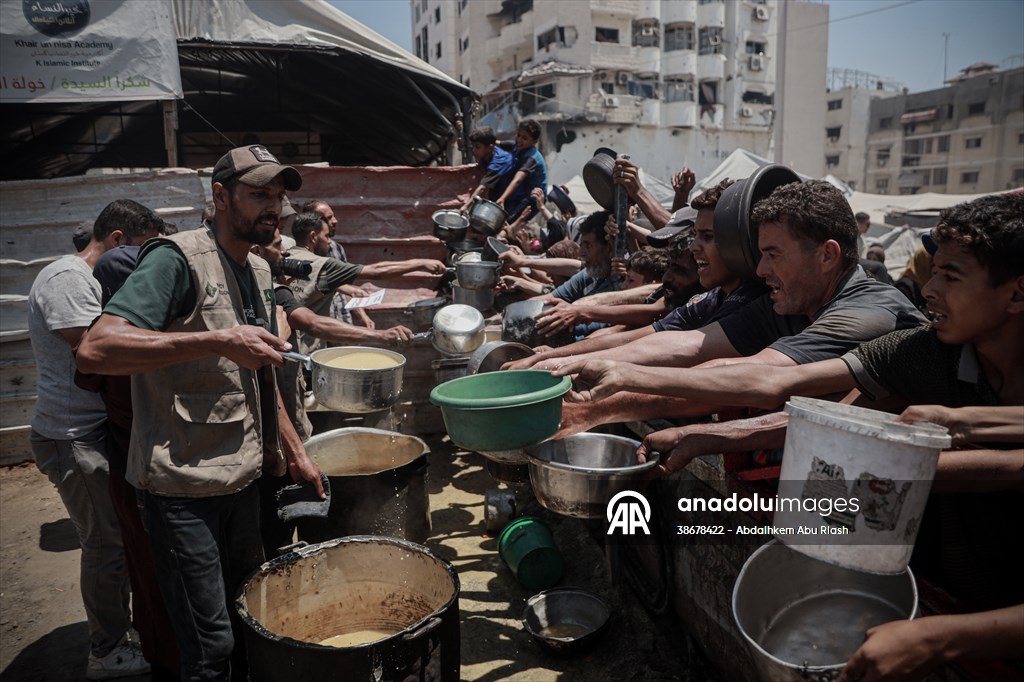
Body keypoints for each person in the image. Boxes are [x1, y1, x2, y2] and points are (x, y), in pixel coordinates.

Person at [76, 145, 325, 680]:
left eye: (278, 197)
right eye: (259, 194)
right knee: (208, 649)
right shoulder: (175, 257)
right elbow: (97, 348)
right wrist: (214, 339)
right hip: (182, 492)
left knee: (249, 619)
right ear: (219, 195)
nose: (273, 209)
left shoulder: (257, 268)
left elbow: (259, 370)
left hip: (243, 482)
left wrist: (297, 451)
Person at [543, 180, 926, 434]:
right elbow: (688, 346)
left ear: (827, 256)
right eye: (758, 255)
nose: (761, 270)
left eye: (773, 255)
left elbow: (759, 378)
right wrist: (563, 363)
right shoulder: (788, 301)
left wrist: (611, 391)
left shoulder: (867, 310)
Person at [28, 199, 161, 680]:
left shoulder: (84, 278)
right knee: (106, 545)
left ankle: (120, 631)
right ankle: (105, 651)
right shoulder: (68, 279)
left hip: (91, 431)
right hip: (71, 437)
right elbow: (96, 353)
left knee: (119, 539)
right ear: (120, 240)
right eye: (144, 249)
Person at [253, 227, 414, 554]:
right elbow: (313, 325)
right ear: (255, 251)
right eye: (276, 248)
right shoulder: (245, 292)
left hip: (286, 413)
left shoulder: (278, 292)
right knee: (265, 522)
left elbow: (307, 320)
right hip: (255, 432)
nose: (286, 254)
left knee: (289, 510)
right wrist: (379, 338)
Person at [509, 180, 761, 369]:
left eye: (707, 237)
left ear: (738, 242)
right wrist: (552, 358)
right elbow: (644, 338)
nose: (695, 248)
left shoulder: (751, 301)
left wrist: (565, 363)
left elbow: (684, 349)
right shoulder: (712, 298)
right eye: (695, 236)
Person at [283, 211, 444, 438]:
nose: (330, 241)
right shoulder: (322, 264)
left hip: (280, 355)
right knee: (301, 428)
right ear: (312, 237)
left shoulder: (283, 258)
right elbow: (377, 271)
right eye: (327, 236)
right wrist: (421, 262)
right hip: (302, 359)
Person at [301, 198, 373, 328]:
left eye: (333, 216)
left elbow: (348, 289)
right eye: (329, 218)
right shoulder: (302, 256)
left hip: (341, 321)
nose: (335, 221)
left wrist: (363, 316)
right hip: (319, 327)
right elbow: (316, 283)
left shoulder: (336, 248)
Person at [494, 119, 548, 221]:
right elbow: (493, 143)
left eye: (524, 138)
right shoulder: (516, 146)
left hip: (533, 198)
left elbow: (517, 180)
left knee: (509, 221)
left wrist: (502, 198)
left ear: (534, 142)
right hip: (520, 193)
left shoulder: (532, 158)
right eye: (518, 135)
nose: (519, 139)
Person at [462, 126, 515, 210]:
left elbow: (482, 187)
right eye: (473, 146)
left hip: (512, 199)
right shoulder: (487, 153)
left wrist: (466, 206)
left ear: (489, 148)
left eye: (477, 147)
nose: (474, 150)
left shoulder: (499, 162)